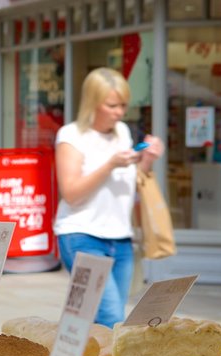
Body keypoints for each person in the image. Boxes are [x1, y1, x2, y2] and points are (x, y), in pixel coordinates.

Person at [54, 67, 165, 327]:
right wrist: (110, 165)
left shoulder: (123, 133)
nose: (120, 112)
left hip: (120, 238)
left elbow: (130, 184)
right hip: (82, 235)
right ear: (93, 103)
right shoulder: (71, 135)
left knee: (89, 319)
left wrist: (146, 162)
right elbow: (70, 193)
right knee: (111, 317)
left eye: (124, 105)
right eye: (113, 105)